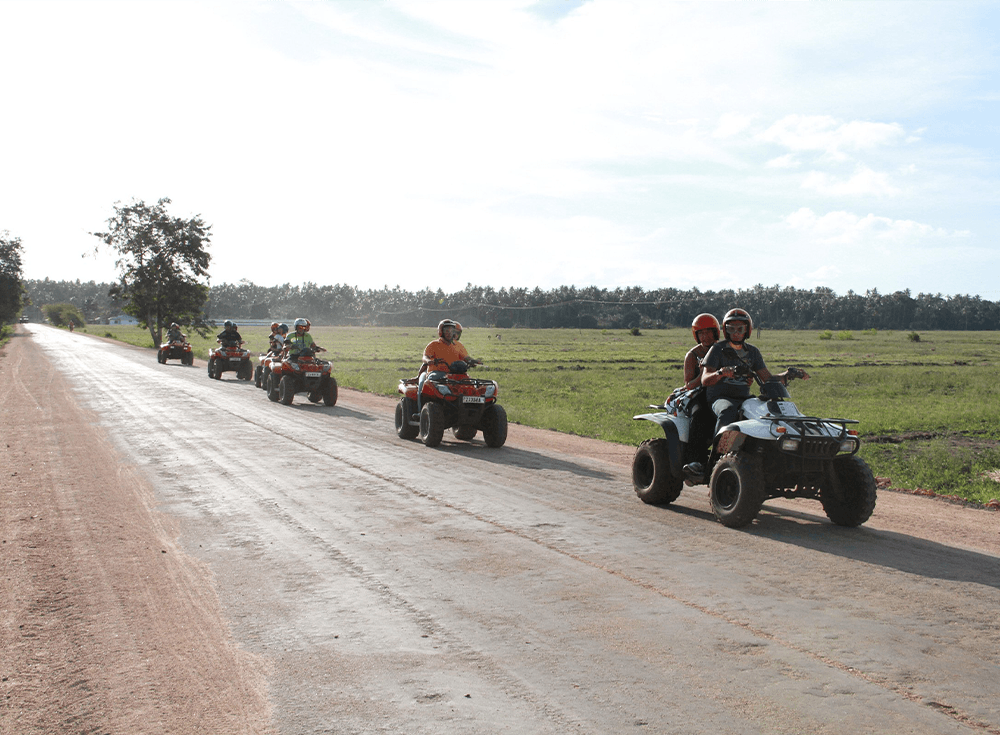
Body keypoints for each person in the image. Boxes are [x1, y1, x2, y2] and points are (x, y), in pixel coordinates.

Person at [700, 308, 809, 433]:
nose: (736, 333)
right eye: (731, 329)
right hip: (720, 398)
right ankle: (720, 444)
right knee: (728, 410)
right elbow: (705, 380)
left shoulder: (753, 352)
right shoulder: (717, 349)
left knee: (767, 412)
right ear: (725, 330)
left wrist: (788, 374)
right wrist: (721, 373)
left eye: (740, 329)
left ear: (747, 330)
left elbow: (767, 378)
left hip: (745, 398)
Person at [680, 314, 720, 475]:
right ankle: (694, 461)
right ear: (696, 335)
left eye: (708, 332)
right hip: (700, 394)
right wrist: (702, 374)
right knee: (699, 415)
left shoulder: (723, 350)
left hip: (722, 393)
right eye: (701, 333)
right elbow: (688, 385)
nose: (705, 336)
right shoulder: (692, 355)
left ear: (715, 332)